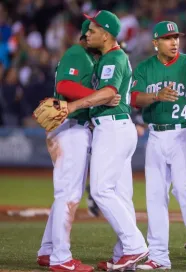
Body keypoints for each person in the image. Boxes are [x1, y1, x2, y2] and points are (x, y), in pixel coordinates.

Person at [58, 10, 149, 271]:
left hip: (111, 127)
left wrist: (73, 106)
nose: (87, 33)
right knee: (121, 193)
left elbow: (109, 92)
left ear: (106, 35)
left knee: (100, 190)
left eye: (93, 30)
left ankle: (134, 246)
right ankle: (126, 254)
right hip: (117, 127)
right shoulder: (110, 57)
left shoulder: (113, 58)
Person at [128, 21, 186, 270]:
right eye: (168, 38)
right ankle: (158, 256)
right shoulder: (145, 68)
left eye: (176, 37)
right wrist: (156, 96)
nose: (174, 42)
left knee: (183, 189)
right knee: (155, 196)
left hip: (184, 133)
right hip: (156, 135)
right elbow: (134, 98)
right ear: (155, 42)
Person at [35, 20, 104, 272]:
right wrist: (95, 98)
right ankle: (61, 258)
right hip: (71, 126)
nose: (98, 37)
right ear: (86, 36)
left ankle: (48, 250)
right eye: (95, 33)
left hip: (72, 127)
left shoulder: (89, 58)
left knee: (66, 191)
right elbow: (64, 86)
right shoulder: (78, 53)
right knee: (69, 194)